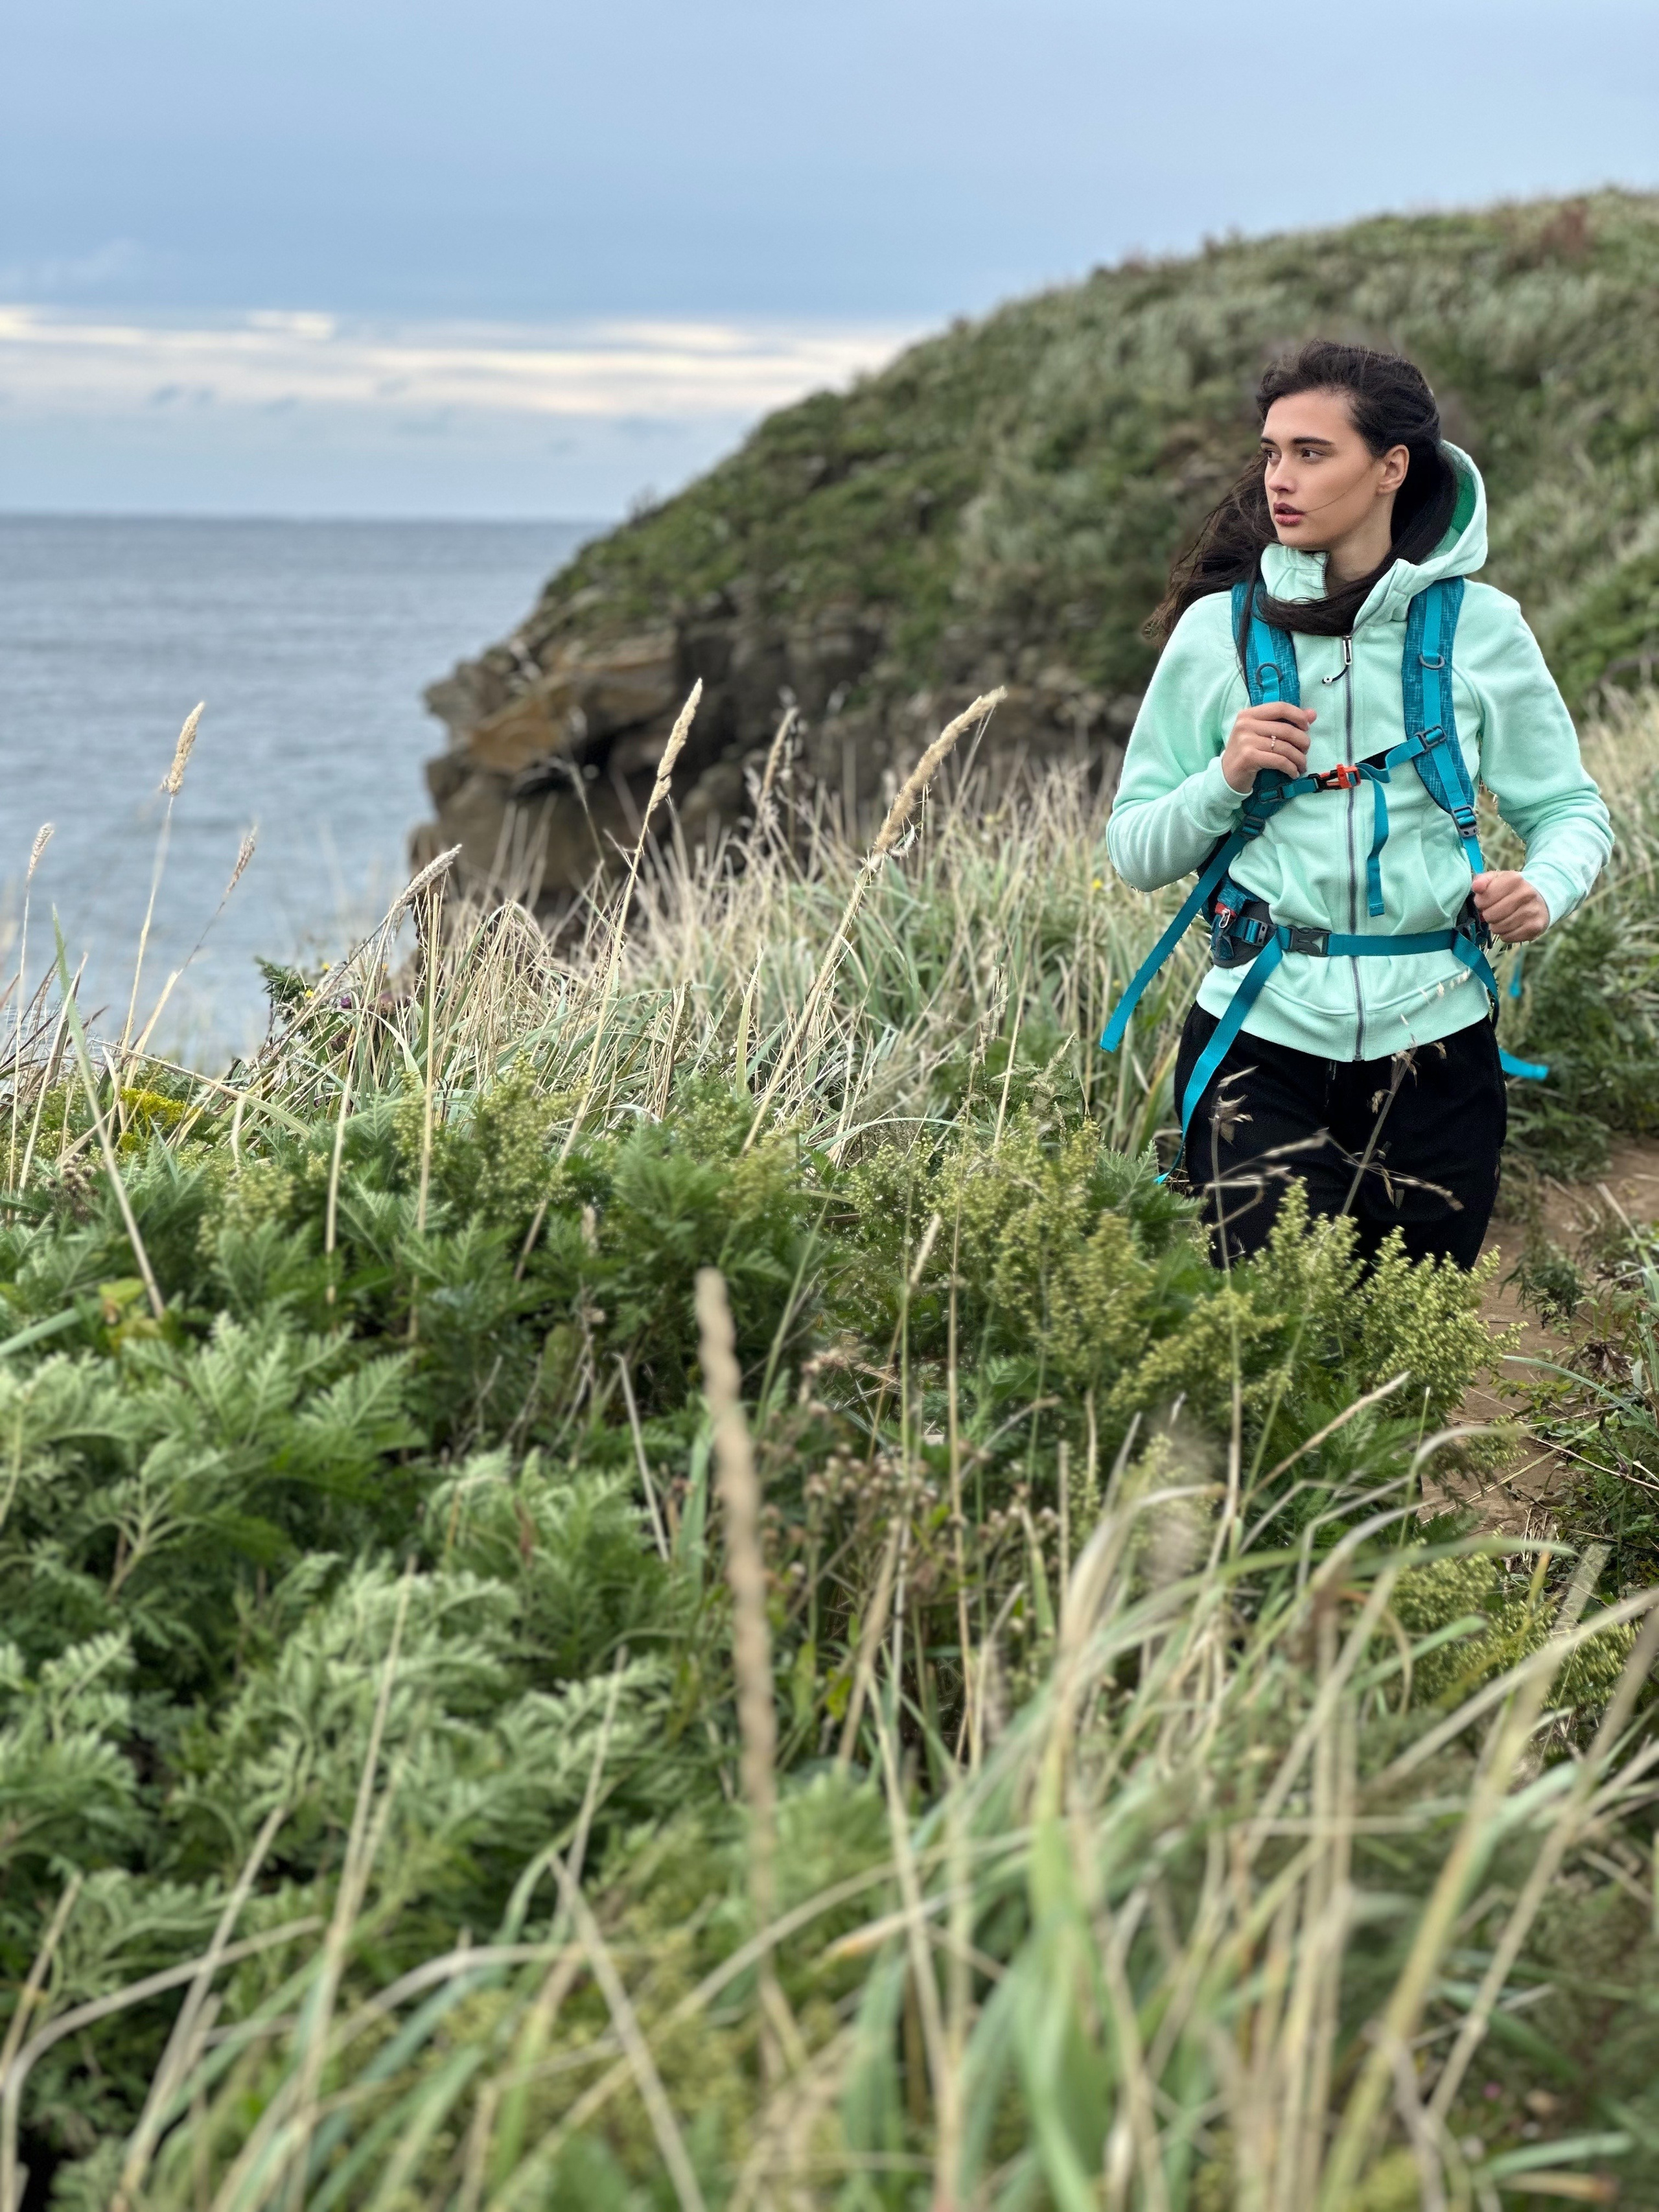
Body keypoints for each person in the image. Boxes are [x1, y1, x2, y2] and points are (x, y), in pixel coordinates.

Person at [1105, 341, 1611, 1268]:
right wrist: (1223, 779)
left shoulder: (1483, 629)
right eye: (1271, 453)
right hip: (1257, 1042)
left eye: (1311, 453)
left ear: (1391, 468)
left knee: (1404, 1361)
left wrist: (1545, 888)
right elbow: (1134, 850)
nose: (1278, 481)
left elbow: (1571, 808)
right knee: (1269, 1343)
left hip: (1441, 1047)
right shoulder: (1217, 631)